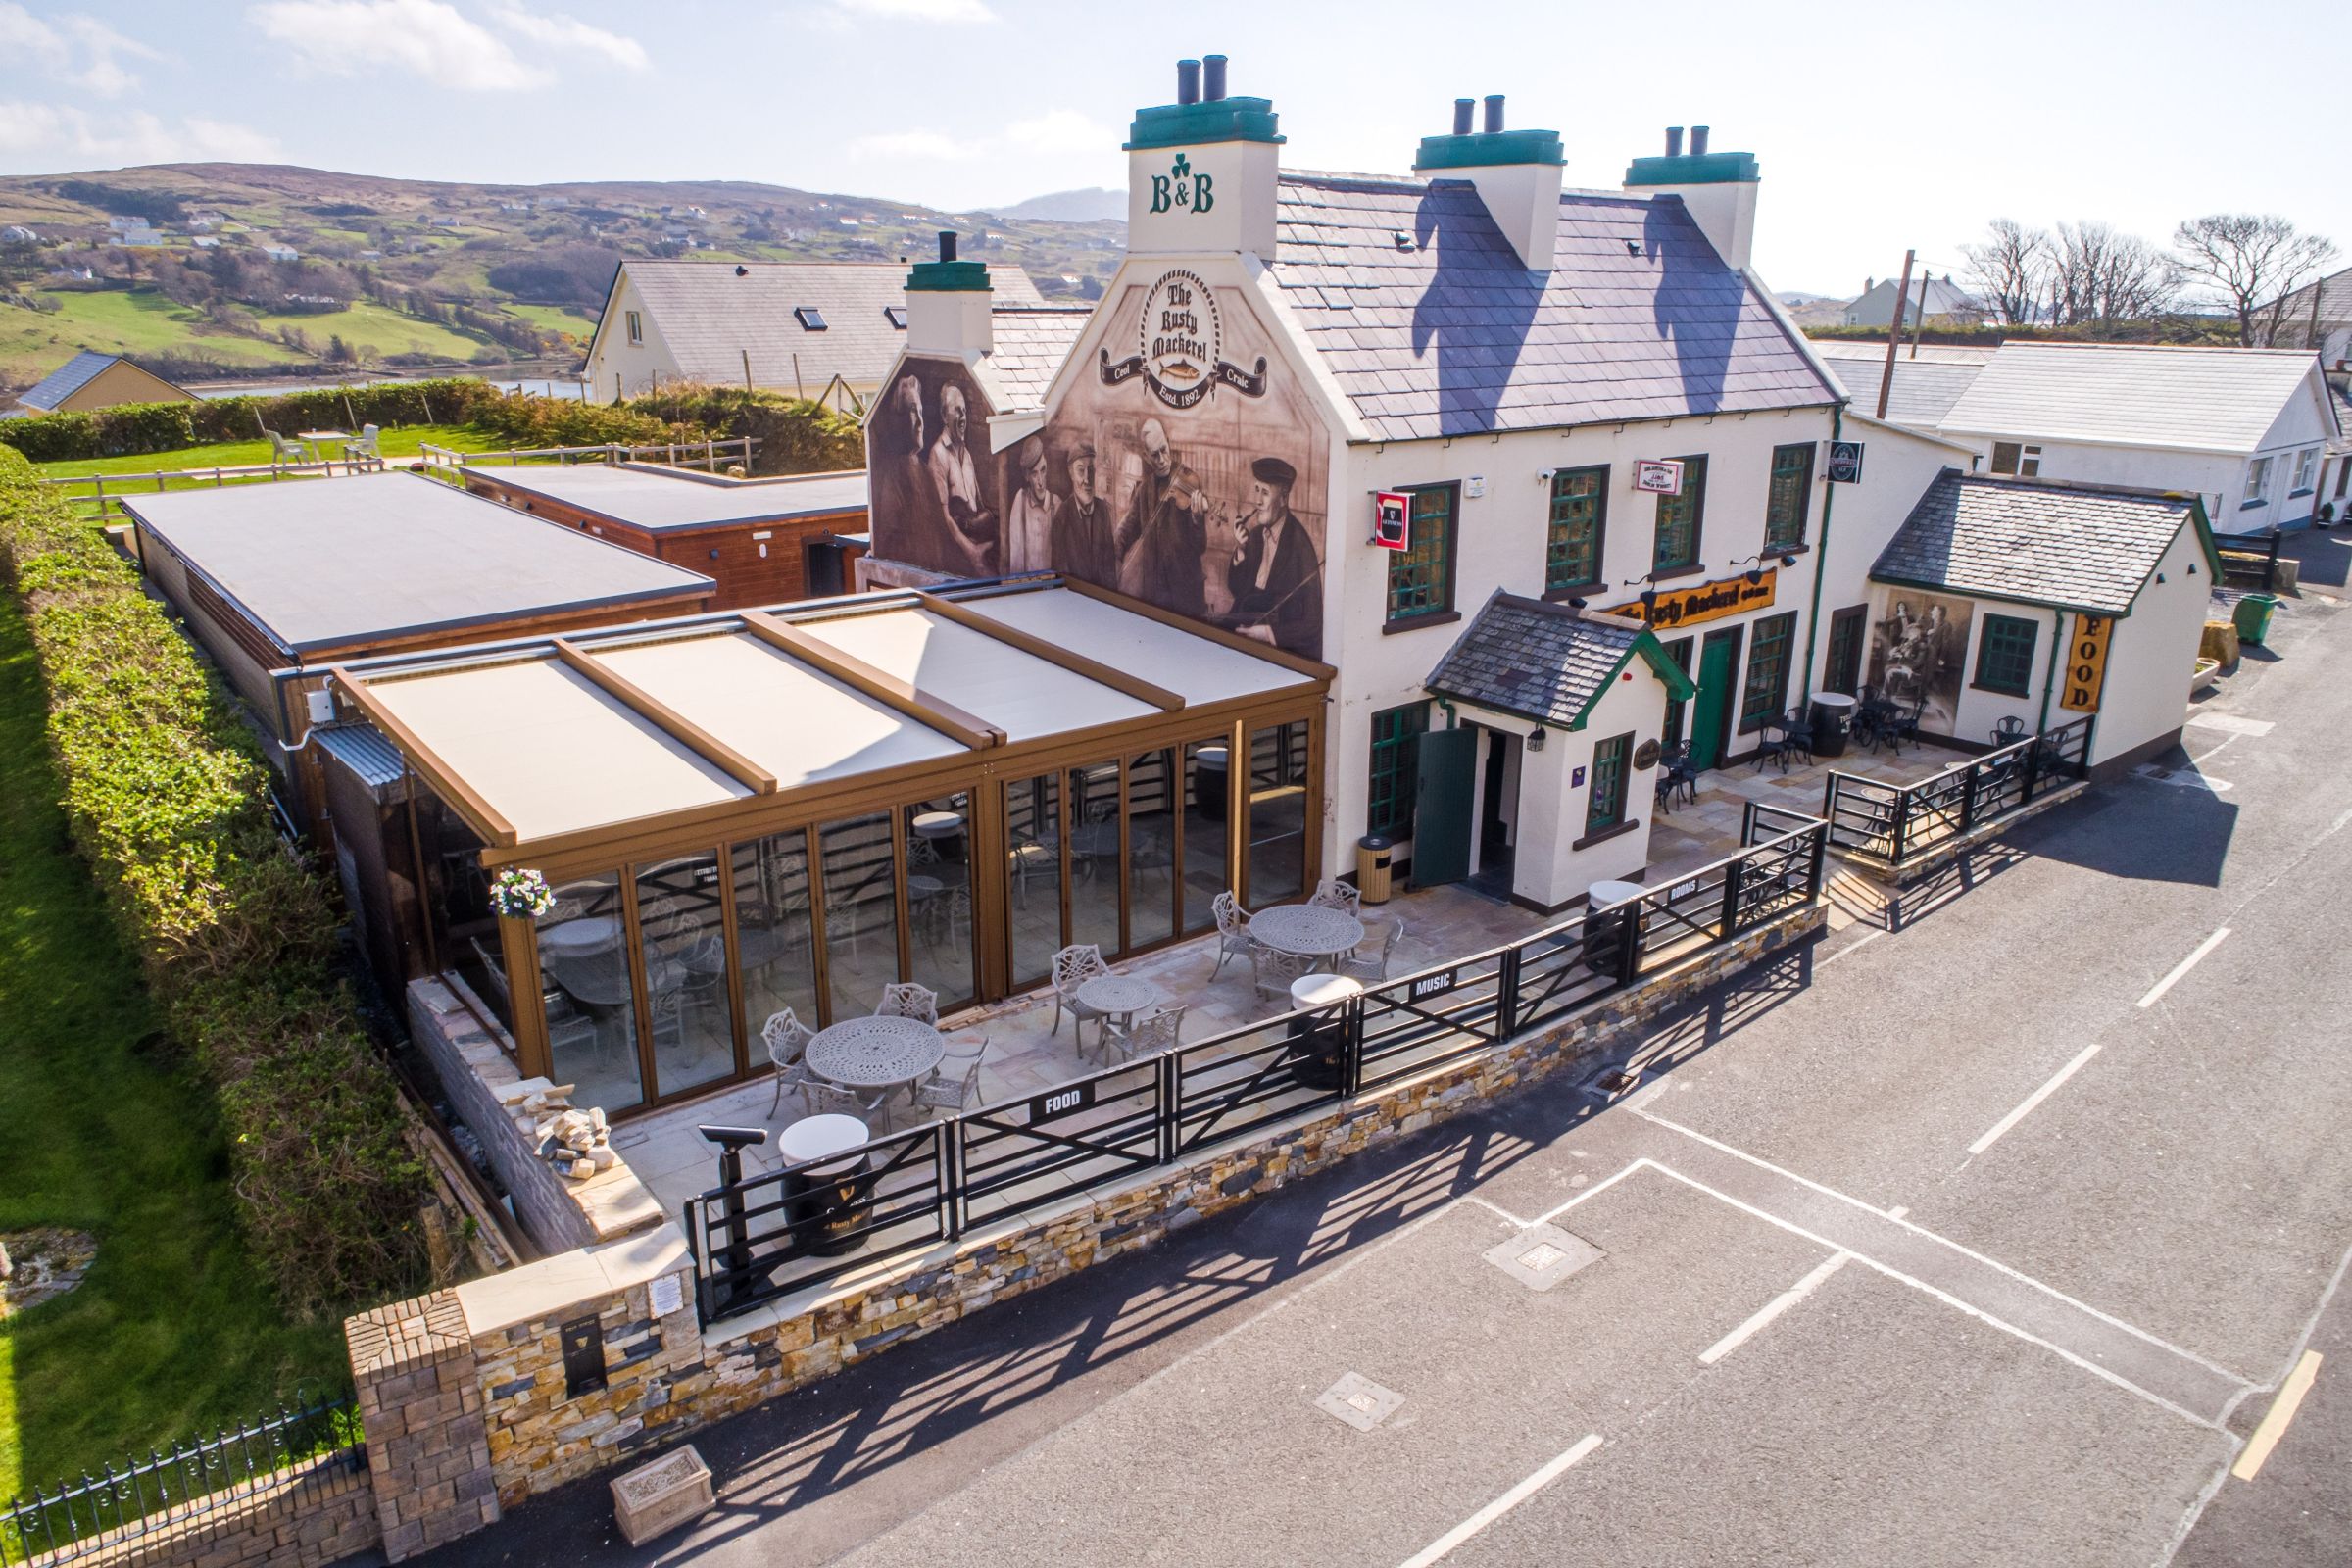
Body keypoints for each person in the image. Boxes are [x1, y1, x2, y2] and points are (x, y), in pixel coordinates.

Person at [1225, 455, 1322, 659]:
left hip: (1275, 648)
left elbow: (1312, 621)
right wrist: (1241, 550)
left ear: (1283, 498)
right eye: (1257, 490)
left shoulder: (1300, 546)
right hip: (1244, 627)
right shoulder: (1255, 537)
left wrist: (1269, 634)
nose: (1258, 501)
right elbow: (1237, 589)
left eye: (1265, 493)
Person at [1115, 416, 1210, 616]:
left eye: (1164, 450)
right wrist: (1113, 556)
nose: (1162, 459)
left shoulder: (1188, 481)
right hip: (1155, 594)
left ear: (1168, 441)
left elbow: (1200, 546)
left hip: (1185, 594)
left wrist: (1197, 520)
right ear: (1146, 455)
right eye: (1154, 454)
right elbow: (1126, 530)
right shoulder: (1144, 491)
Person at [925, 381, 996, 573]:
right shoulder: (938, 454)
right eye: (957, 411)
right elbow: (943, 518)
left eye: (964, 411)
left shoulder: (968, 456)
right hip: (958, 560)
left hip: (979, 551)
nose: (963, 417)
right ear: (943, 416)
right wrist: (973, 553)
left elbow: (979, 506)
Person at [1052, 442, 1119, 586]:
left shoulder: (1103, 510)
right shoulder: (1062, 516)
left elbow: (1110, 568)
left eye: (1091, 470)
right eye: (1081, 471)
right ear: (1071, 474)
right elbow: (1061, 574)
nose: (1087, 479)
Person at [1004, 438, 1060, 573]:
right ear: (1027, 477)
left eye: (1043, 470)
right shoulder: (1021, 501)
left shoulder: (1057, 503)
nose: (1040, 481)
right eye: (1034, 474)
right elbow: (1016, 559)